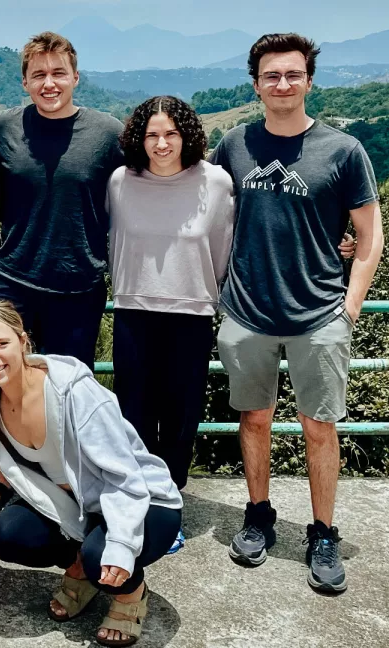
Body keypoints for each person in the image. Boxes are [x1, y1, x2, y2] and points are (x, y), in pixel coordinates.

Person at [210, 33, 383, 595]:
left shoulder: (343, 150)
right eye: (270, 75)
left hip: (319, 313)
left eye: (291, 74)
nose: (281, 84)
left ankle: (323, 531)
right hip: (247, 311)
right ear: (255, 83)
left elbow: (369, 235)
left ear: (309, 80)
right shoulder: (234, 145)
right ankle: (258, 514)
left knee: (319, 427)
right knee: (254, 419)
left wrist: (349, 305)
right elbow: (207, 215)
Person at [0, 301, 182, 647]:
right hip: (77, 509)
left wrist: (122, 543)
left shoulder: (73, 391)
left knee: (105, 557)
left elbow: (126, 477)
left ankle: (131, 594)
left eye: (2, 343)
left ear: (23, 341)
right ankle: (80, 569)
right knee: (7, 534)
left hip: (143, 500)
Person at [107, 96, 233, 554]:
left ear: (187, 135)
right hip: (133, 310)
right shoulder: (122, 181)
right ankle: (139, 502)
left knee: (181, 417)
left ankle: (169, 504)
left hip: (192, 313)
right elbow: (110, 240)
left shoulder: (215, 182)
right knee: (133, 413)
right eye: (152, 135)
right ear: (140, 139)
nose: (162, 144)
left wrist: (200, 289)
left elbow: (222, 247)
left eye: (171, 134)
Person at [0, 32, 124, 369]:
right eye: (39, 75)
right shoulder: (3, 129)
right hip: (13, 282)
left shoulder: (107, 134)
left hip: (79, 287)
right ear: (24, 82)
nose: (50, 83)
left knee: (70, 390)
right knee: (4, 380)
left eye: (58, 73)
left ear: (75, 77)